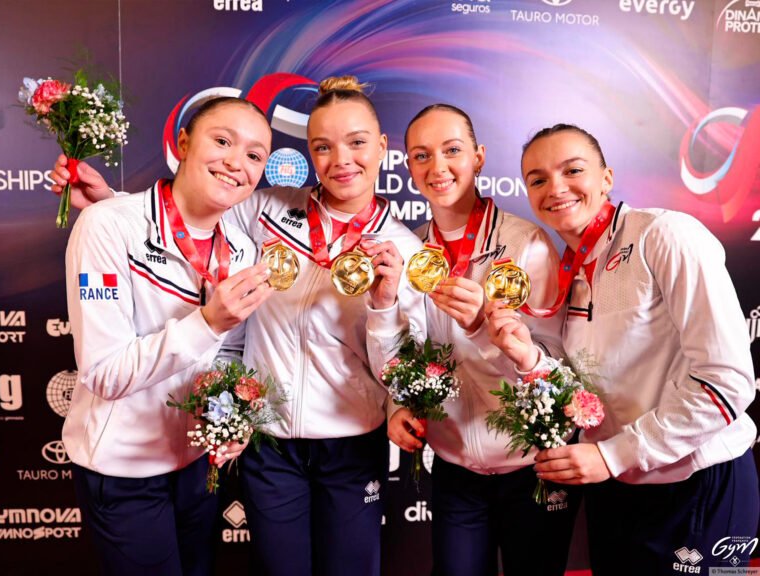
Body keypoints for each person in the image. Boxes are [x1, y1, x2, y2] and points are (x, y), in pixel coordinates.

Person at [52, 76, 425, 576]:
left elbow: (400, 371)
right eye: (323, 146)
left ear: (382, 147)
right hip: (267, 444)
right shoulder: (265, 209)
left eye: (357, 143)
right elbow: (191, 218)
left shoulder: (408, 250)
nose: (342, 160)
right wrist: (111, 205)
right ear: (308, 153)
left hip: (351, 438)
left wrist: (382, 306)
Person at [486, 123, 759, 575]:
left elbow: (726, 382)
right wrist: (528, 358)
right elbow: (584, 393)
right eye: (537, 179)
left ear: (606, 177)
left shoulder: (665, 234)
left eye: (573, 170)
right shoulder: (568, 273)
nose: (556, 188)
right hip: (617, 485)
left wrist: (614, 455)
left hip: (699, 482)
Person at [60, 97, 275, 576]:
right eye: (222, 141)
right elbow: (104, 374)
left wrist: (236, 414)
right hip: (124, 469)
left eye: (255, 155)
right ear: (183, 143)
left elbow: (230, 356)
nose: (237, 163)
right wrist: (207, 322)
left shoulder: (240, 248)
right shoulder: (108, 227)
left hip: (197, 467)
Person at [386, 104, 576, 576]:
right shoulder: (412, 249)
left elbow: (556, 366)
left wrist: (480, 331)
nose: (438, 167)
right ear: (408, 166)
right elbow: (405, 351)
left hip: (533, 463)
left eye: (452, 150)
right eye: (421, 155)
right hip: (455, 468)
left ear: (479, 156)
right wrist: (397, 403)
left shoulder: (526, 244)